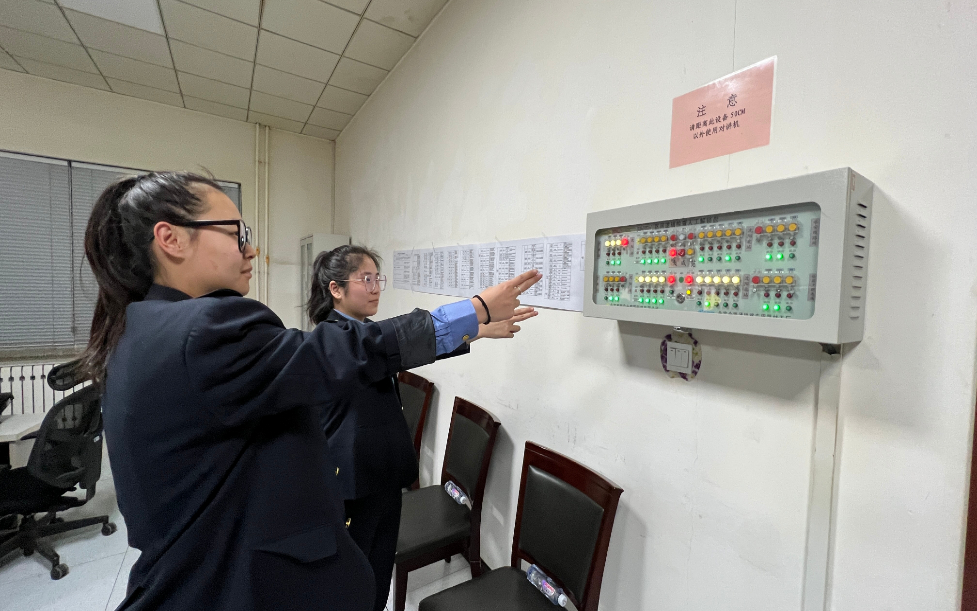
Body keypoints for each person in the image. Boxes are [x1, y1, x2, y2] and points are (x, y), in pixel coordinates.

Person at [81, 171, 542, 611]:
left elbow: (369, 350)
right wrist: (473, 310)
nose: (251, 249)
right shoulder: (204, 328)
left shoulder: (139, 327)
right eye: (237, 235)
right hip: (239, 577)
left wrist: (471, 328)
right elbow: (357, 351)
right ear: (172, 239)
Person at [307, 246, 537, 611]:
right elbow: (395, 344)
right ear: (336, 289)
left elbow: (401, 350)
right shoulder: (335, 338)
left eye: (378, 279)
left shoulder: (360, 333)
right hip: (355, 485)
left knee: (376, 572)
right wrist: (477, 309)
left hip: (381, 477)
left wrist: (477, 330)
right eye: (365, 279)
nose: (375, 288)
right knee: (354, 581)